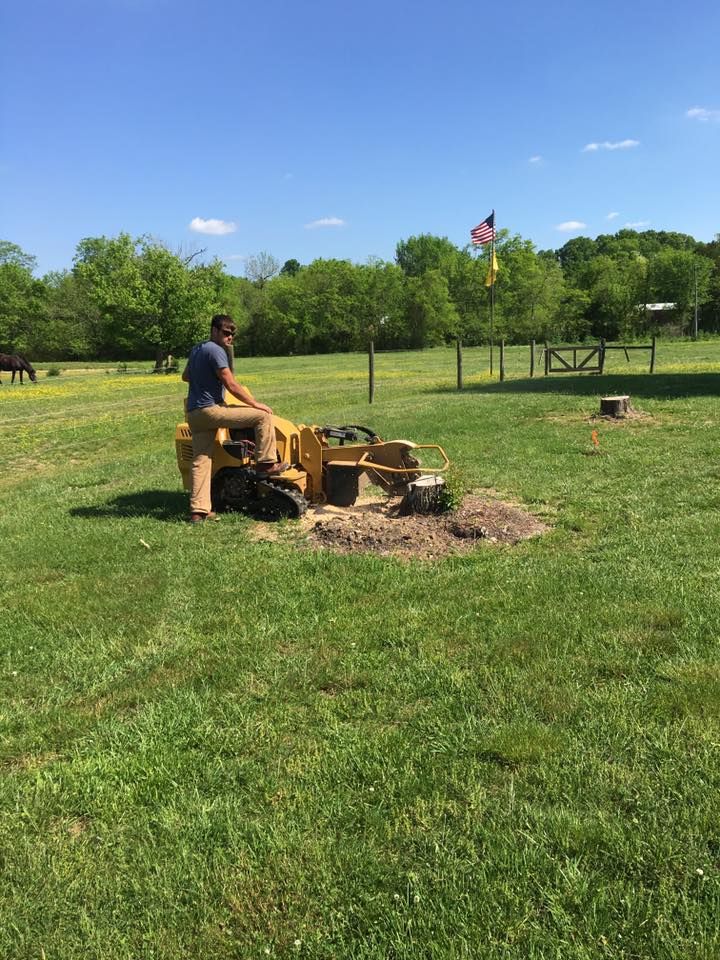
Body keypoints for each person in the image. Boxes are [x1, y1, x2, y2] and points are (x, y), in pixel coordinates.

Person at [182, 314, 288, 523]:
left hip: (194, 414)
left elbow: (185, 376)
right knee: (262, 417)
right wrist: (256, 404)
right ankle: (265, 464)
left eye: (232, 334)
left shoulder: (197, 349)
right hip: (210, 410)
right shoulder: (216, 350)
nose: (230, 338)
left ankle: (198, 511)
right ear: (214, 330)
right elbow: (231, 384)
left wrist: (203, 379)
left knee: (201, 460)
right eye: (226, 333)